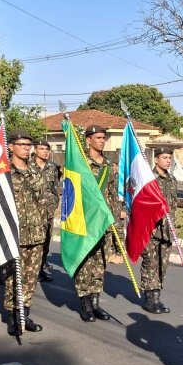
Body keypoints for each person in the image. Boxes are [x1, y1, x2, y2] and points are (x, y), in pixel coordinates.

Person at [73, 126, 121, 322]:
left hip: (105, 222)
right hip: (86, 222)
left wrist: (116, 221)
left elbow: (113, 194)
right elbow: (73, 192)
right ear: (88, 140)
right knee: (85, 262)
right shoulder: (80, 163)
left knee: (100, 264)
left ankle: (95, 302)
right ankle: (85, 302)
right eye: (98, 137)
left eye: (104, 138)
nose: (102, 141)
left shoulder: (108, 164)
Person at [3, 132, 46, 336]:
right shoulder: (4, 172)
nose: (26, 148)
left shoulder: (35, 171)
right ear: (11, 147)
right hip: (15, 234)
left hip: (36, 233)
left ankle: (25, 313)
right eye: (21, 144)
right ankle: (13, 317)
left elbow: (43, 200)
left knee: (31, 277)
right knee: (14, 277)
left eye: (28, 145)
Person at [140, 146, 178, 314]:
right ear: (156, 160)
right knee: (151, 264)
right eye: (164, 157)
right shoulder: (149, 179)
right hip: (150, 230)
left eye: (169, 158)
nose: (168, 161)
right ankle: (149, 299)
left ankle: (157, 297)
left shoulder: (172, 180)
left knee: (163, 265)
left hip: (167, 231)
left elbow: (173, 205)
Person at [33, 139, 61, 281]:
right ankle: (31, 271)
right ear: (35, 150)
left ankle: (41, 269)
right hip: (32, 213)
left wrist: (54, 205)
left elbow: (55, 189)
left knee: (46, 242)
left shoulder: (52, 168)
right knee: (33, 243)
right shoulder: (28, 167)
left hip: (48, 212)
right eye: (41, 149)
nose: (45, 152)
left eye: (47, 149)